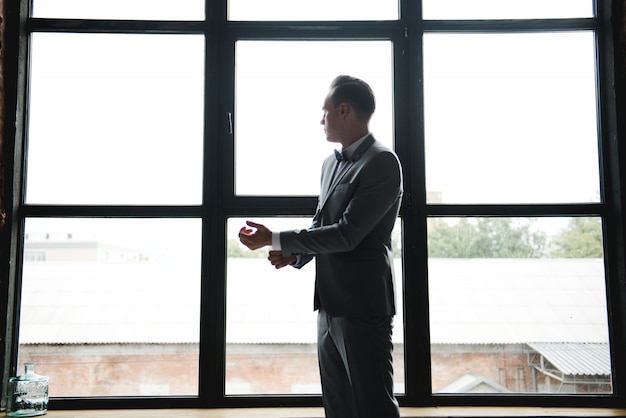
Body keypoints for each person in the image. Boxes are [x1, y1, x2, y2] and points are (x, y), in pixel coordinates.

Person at [239, 75, 403, 418]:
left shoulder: (383, 162)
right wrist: (295, 253)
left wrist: (275, 237)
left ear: (343, 110)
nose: (321, 119)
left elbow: (347, 234)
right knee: (338, 406)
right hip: (327, 304)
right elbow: (322, 225)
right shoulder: (330, 164)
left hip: (364, 307)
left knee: (373, 406)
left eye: (325, 111)